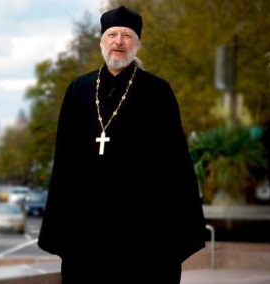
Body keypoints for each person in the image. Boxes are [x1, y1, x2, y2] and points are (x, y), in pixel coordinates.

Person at [38, 5, 207, 284]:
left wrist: (173, 232)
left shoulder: (157, 91)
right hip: (86, 228)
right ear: (102, 41)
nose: (119, 41)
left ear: (137, 44)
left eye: (127, 35)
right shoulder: (78, 89)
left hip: (141, 229)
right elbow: (65, 162)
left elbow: (175, 163)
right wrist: (61, 225)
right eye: (113, 34)